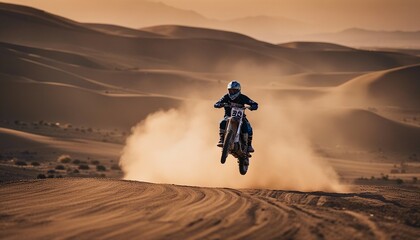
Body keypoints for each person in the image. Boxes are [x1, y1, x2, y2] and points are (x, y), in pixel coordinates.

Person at [214, 80, 258, 152]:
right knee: (222, 122)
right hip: (228, 116)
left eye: (234, 90)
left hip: (241, 118)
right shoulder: (226, 97)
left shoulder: (243, 97)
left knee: (248, 127)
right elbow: (217, 103)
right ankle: (221, 139)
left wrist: (252, 106)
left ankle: (249, 145)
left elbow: (254, 103)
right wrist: (219, 104)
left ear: (238, 90)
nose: (232, 92)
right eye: (230, 90)